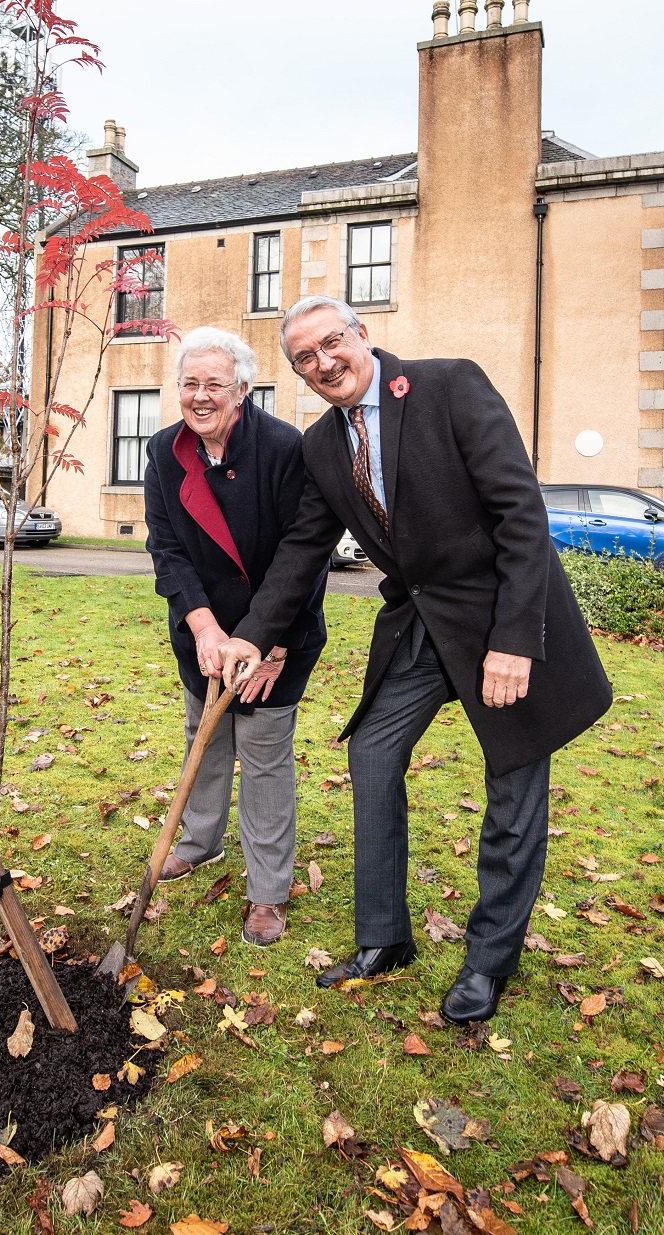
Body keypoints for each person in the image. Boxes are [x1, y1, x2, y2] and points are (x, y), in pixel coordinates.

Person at [220, 296, 612, 1018]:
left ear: (361, 335)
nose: (322, 362)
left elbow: (521, 512)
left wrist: (516, 641)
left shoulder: (448, 386)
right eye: (303, 357)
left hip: (503, 619)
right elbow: (304, 547)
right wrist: (251, 632)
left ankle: (490, 962)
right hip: (421, 622)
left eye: (331, 342)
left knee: (514, 783)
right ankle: (384, 939)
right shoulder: (321, 443)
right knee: (371, 750)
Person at [144, 326, 328, 947]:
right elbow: (166, 547)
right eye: (189, 384)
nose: (200, 397)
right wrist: (202, 626)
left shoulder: (283, 448)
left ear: (243, 390)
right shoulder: (165, 450)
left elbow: (302, 556)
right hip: (205, 630)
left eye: (214, 385)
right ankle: (199, 843)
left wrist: (268, 642)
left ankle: (269, 891)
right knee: (206, 735)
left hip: (276, 631)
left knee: (265, 752)